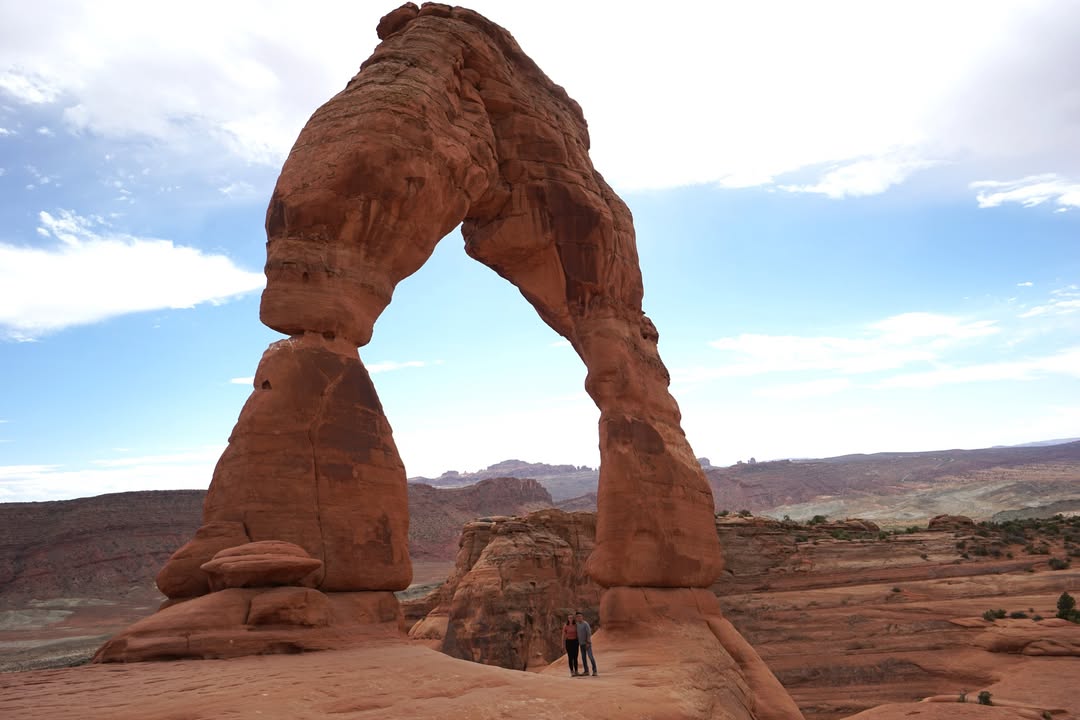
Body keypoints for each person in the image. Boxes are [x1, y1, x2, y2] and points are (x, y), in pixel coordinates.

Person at [575, 611, 597, 676]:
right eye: (578, 617)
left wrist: (588, 642)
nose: (579, 618)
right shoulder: (577, 624)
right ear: (576, 618)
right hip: (581, 644)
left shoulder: (585, 624)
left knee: (590, 657)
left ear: (582, 617)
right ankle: (586, 671)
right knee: (583, 658)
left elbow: (589, 633)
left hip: (587, 644)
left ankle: (595, 671)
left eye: (580, 616)